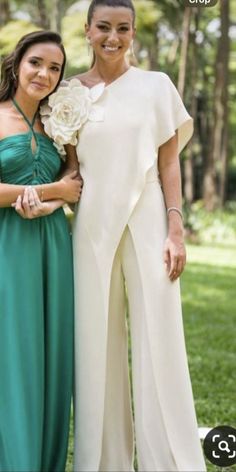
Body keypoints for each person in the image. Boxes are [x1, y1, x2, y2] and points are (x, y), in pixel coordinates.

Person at [42, 1, 206, 470]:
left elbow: (169, 160)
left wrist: (175, 226)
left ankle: (170, 460)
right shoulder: (67, 93)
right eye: (104, 28)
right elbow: (71, 170)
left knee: (161, 336)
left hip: (150, 216)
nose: (113, 37)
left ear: (132, 32)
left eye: (123, 28)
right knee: (96, 340)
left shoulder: (157, 86)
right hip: (92, 224)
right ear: (88, 30)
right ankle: (103, 461)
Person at [0, 30, 82, 472]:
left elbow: (77, 182)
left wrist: (49, 202)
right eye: (36, 62)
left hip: (52, 246)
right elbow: (63, 183)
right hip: (6, 249)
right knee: (12, 352)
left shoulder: (60, 124)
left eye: (54, 68)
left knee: (51, 354)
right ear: (17, 63)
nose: (44, 74)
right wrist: (51, 189)